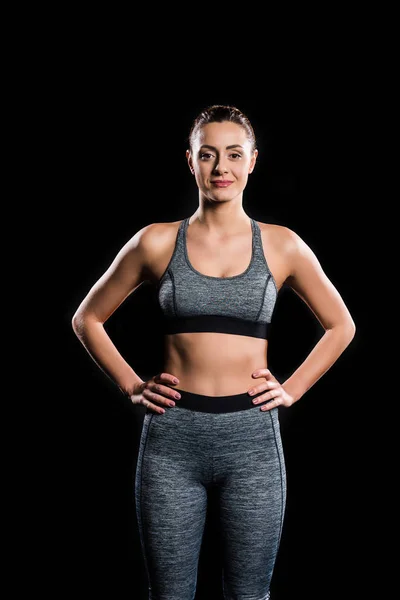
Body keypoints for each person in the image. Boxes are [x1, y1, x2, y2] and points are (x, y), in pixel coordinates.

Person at [71, 104, 356, 600]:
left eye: (232, 154)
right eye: (207, 155)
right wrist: (132, 386)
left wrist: (291, 390)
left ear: (252, 161)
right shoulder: (157, 242)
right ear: (190, 161)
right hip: (172, 443)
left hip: (252, 444)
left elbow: (340, 325)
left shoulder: (282, 245)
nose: (220, 167)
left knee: (250, 595)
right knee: (171, 594)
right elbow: (87, 318)